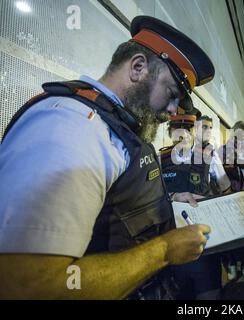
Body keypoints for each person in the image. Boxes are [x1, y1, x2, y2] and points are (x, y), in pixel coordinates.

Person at [0, 16, 214, 299]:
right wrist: (164, 250)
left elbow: (112, 207)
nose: (174, 111)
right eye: (172, 94)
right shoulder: (72, 129)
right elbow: (31, 286)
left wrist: (170, 202)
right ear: (138, 68)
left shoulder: (117, 126)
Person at [160, 113, 228, 299]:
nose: (182, 134)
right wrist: (172, 196)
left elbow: (226, 193)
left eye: (187, 129)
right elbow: (152, 199)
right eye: (176, 129)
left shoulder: (209, 156)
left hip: (204, 249)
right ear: (170, 131)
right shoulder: (160, 159)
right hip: (172, 248)